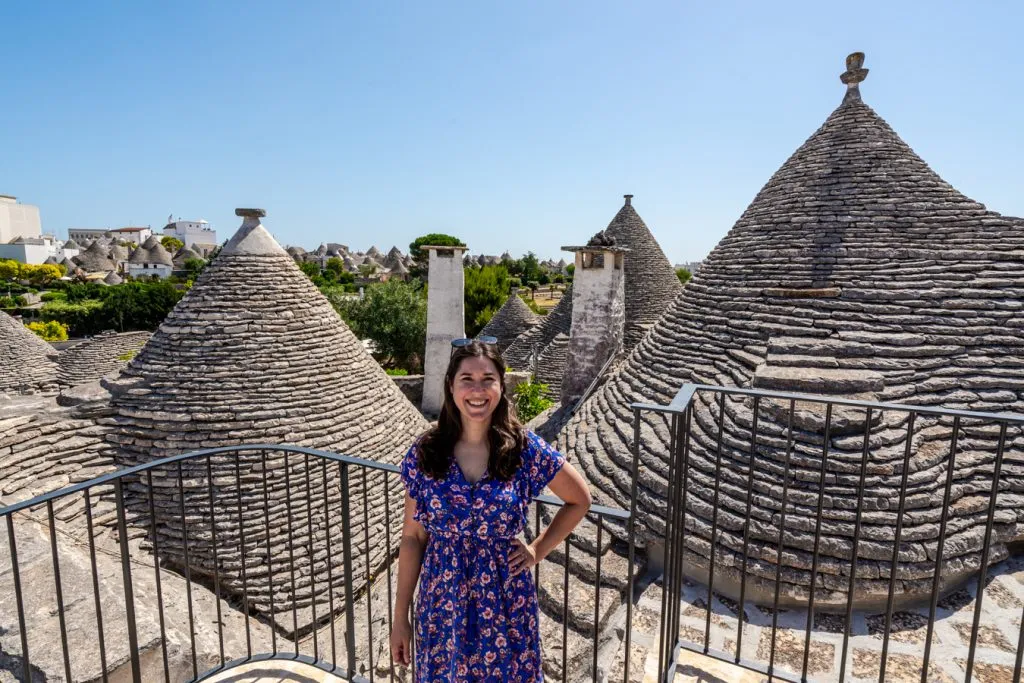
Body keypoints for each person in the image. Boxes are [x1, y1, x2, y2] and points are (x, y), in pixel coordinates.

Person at [390, 339, 592, 681]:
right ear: (451, 386)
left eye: (488, 379)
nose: (477, 390)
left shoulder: (525, 449)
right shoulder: (427, 452)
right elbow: (412, 537)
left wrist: (536, 551)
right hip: (442, 605)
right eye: (467, 379)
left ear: (501, 386)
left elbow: (579, 500)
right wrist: (400, 617)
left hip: (504, 602)